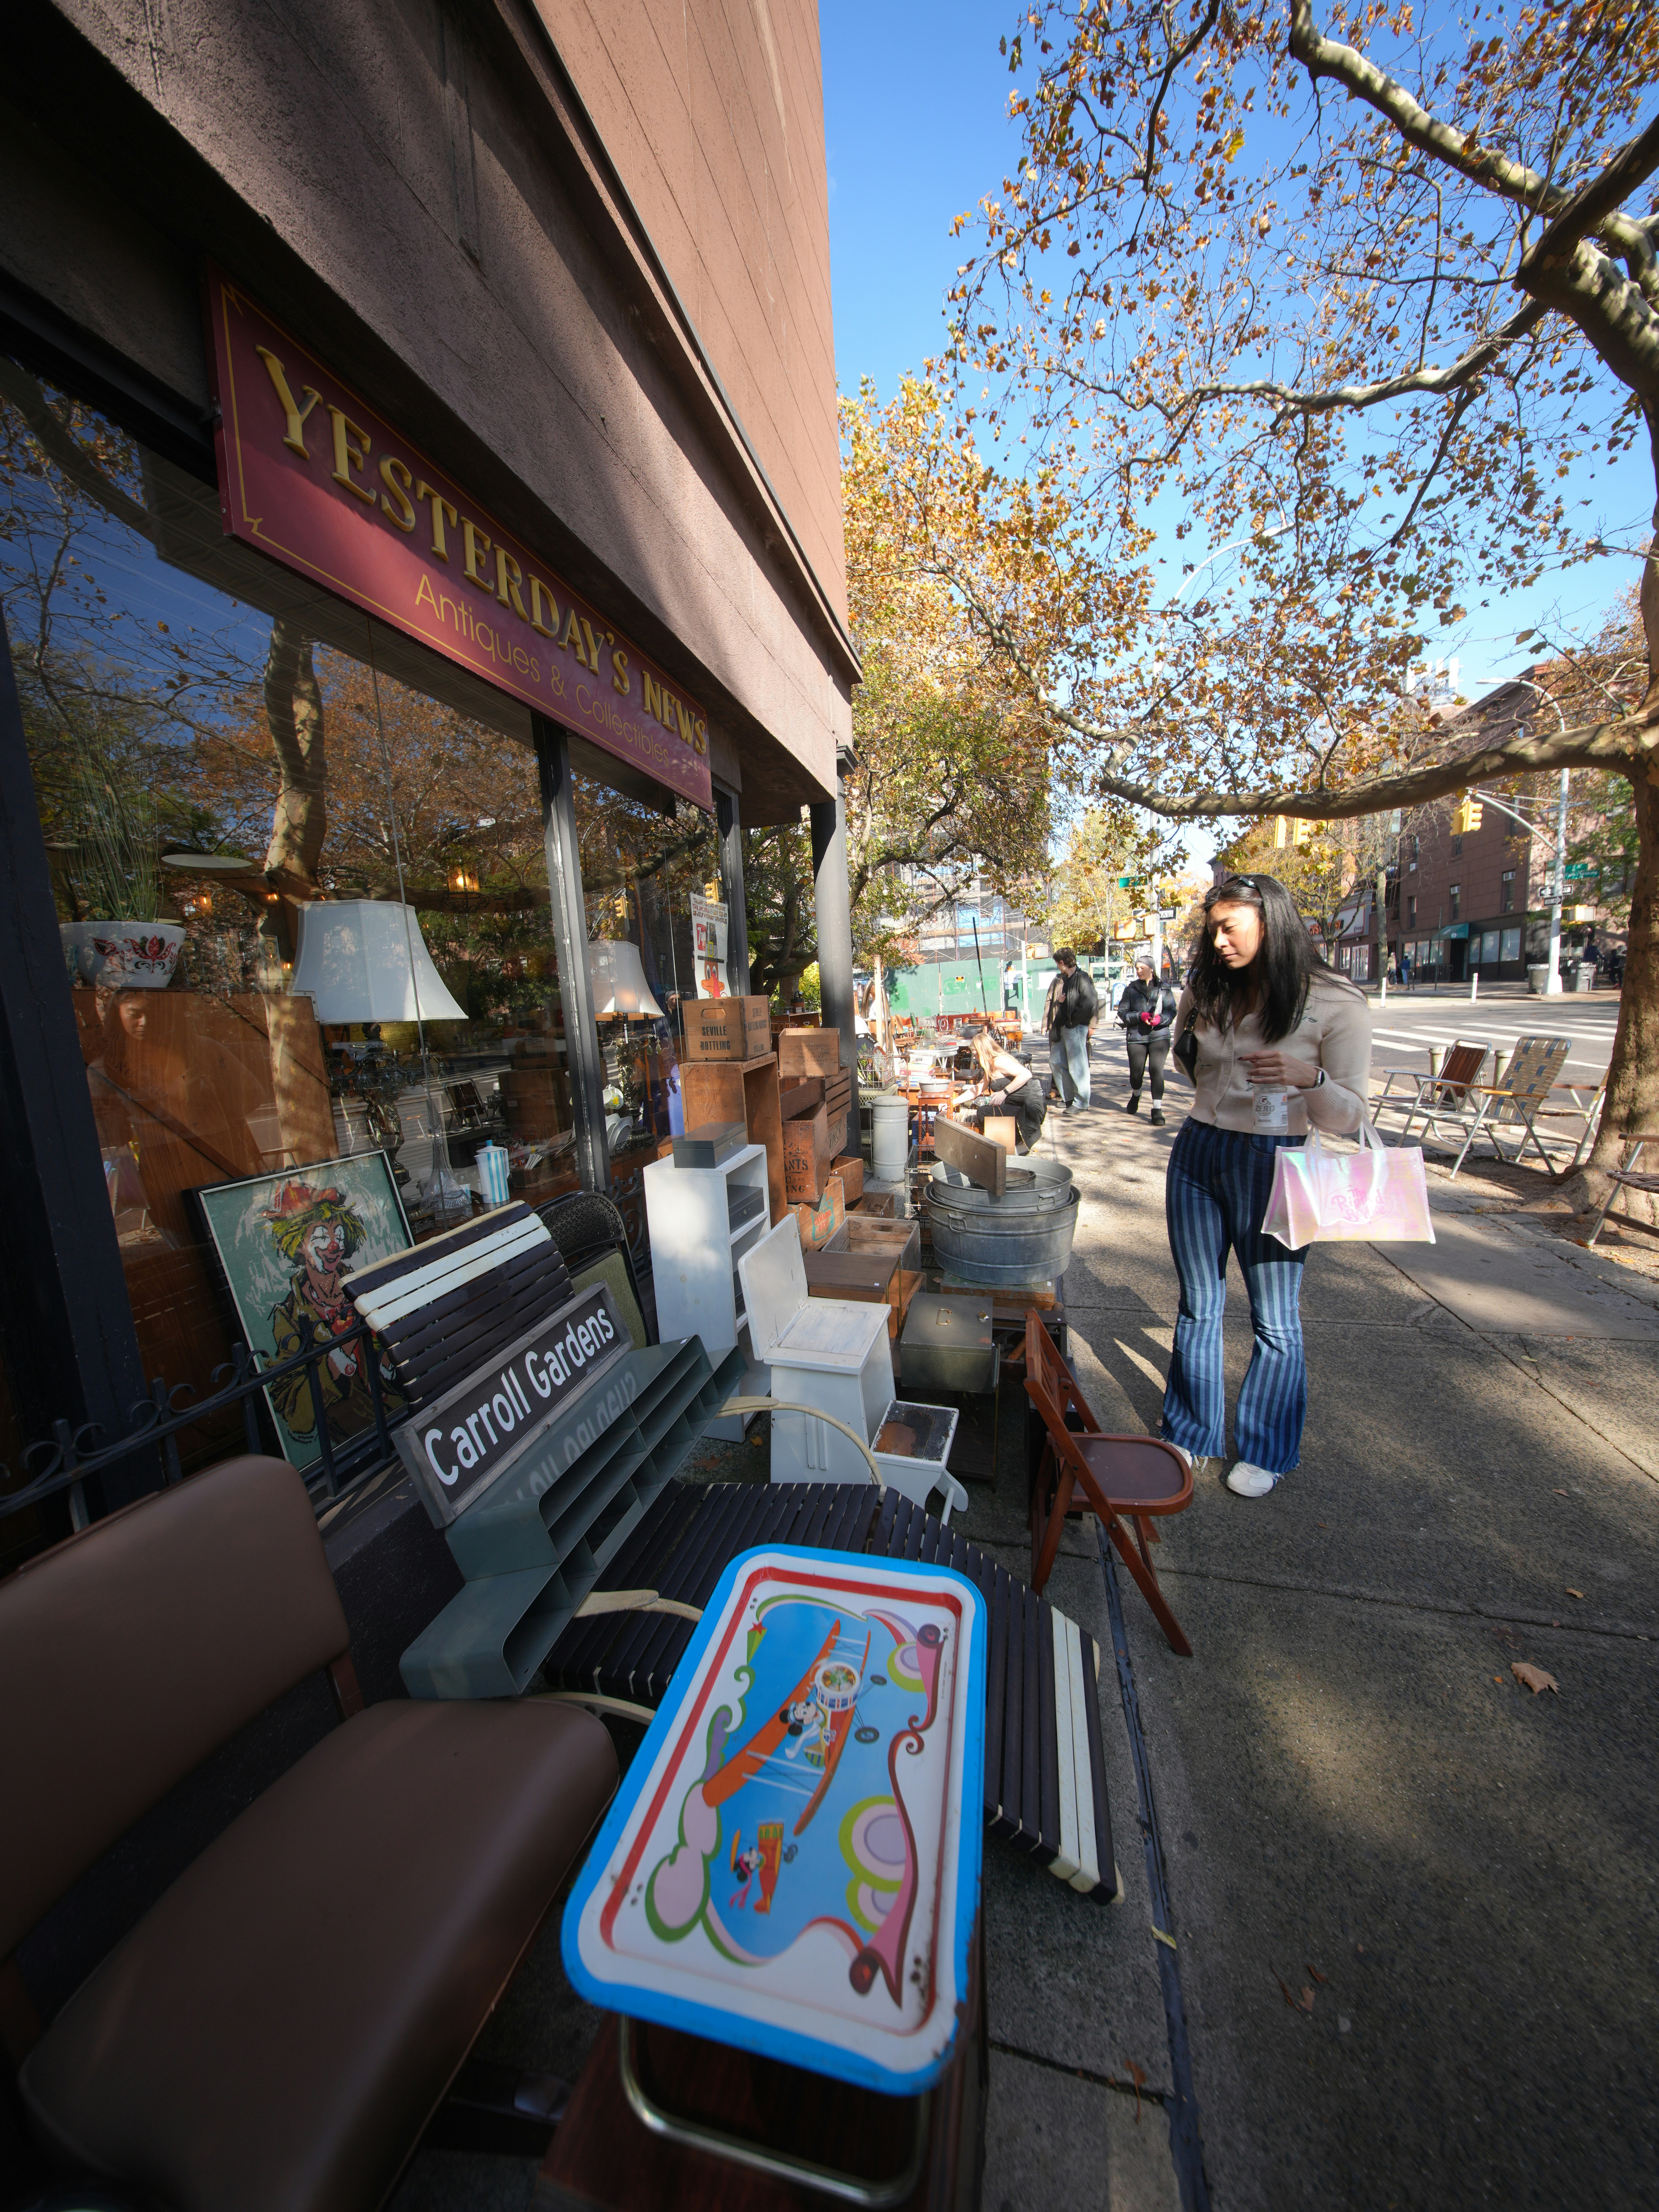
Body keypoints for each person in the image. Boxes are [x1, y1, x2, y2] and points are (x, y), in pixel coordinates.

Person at [1160, 873, 1371, 1499]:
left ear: (1271, 923)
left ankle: (1267, 1447)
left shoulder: (1336, 1000)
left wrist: (1311, 1077)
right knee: (1199, 1301)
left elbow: (1354, 1117)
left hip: (1277, 1160)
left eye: (1231, 927)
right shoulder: (1205, 988)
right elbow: (1184, 1058)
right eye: (1213, 928)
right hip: (1198, 1148)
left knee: (1274, 1315)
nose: (1218, 940)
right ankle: (1191, 1430)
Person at [958, 1023, 1048, 1151]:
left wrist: (1004, 1093)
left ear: (982, 1051)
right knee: (985, 1111)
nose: (976, 1058)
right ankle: (1010, 1144)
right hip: (1018, 1104)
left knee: (985, 1113)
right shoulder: (990, 1066)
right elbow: (978, 1089)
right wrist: (952, 1102)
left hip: (1029, 1107)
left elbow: (1027, 1074)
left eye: (975, 1053)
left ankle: (1016, 1145)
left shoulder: (999, 1061)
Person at [1115, 956, 1179, 1122]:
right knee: (1136, 1076)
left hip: (1160, 1036)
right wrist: (1140, 1016)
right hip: (1137, 1036)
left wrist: (1161, 1020)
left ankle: (1157, 1109)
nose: (1139, 971)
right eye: (1137, 968)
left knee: (1156, 1071)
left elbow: (1172, 1012)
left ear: (1151, 968)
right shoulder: (1131, 989)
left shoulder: (1164, 988)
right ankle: (1137, 1094)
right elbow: (1123, 1012)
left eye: (1142, 968)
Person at [1047, 948, 1098, 1112]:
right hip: (1065, 1026)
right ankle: (1069, 1097)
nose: (1057, 965)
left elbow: (1090, 1002)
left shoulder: (1082, 978)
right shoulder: (1068, 978)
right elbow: (1073, 1001)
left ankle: (1082, 1102)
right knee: (1056, 1061)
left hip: (1074, 1027)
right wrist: (1063, 1000)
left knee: (1077, 1065)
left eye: (1057, 962)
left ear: (1062, 963)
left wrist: (1074, 1022)